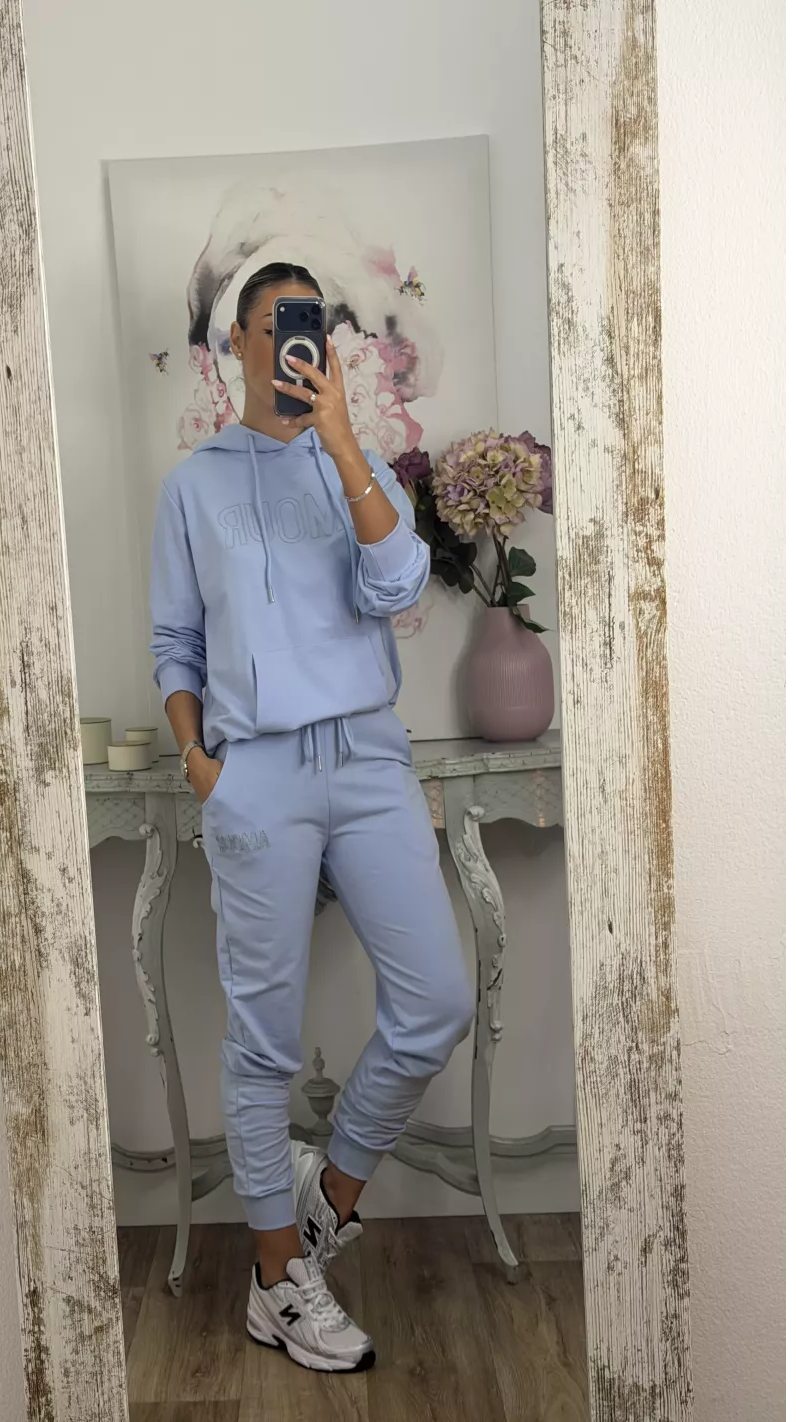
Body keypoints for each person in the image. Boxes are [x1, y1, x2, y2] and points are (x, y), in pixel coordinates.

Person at [149, 262, 474, 1374]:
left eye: (310, 326)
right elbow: (175, 643)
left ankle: (326, 1201)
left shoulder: (355, 462)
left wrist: (340, 444)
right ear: (236, 345)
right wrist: (202, 763)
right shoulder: (191, 489)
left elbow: (400, 586)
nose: (295, 343)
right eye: (275, 326)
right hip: (258, 775)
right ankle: (278, 1279)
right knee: (262, 1041)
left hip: (369, 759)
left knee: (435, 999)